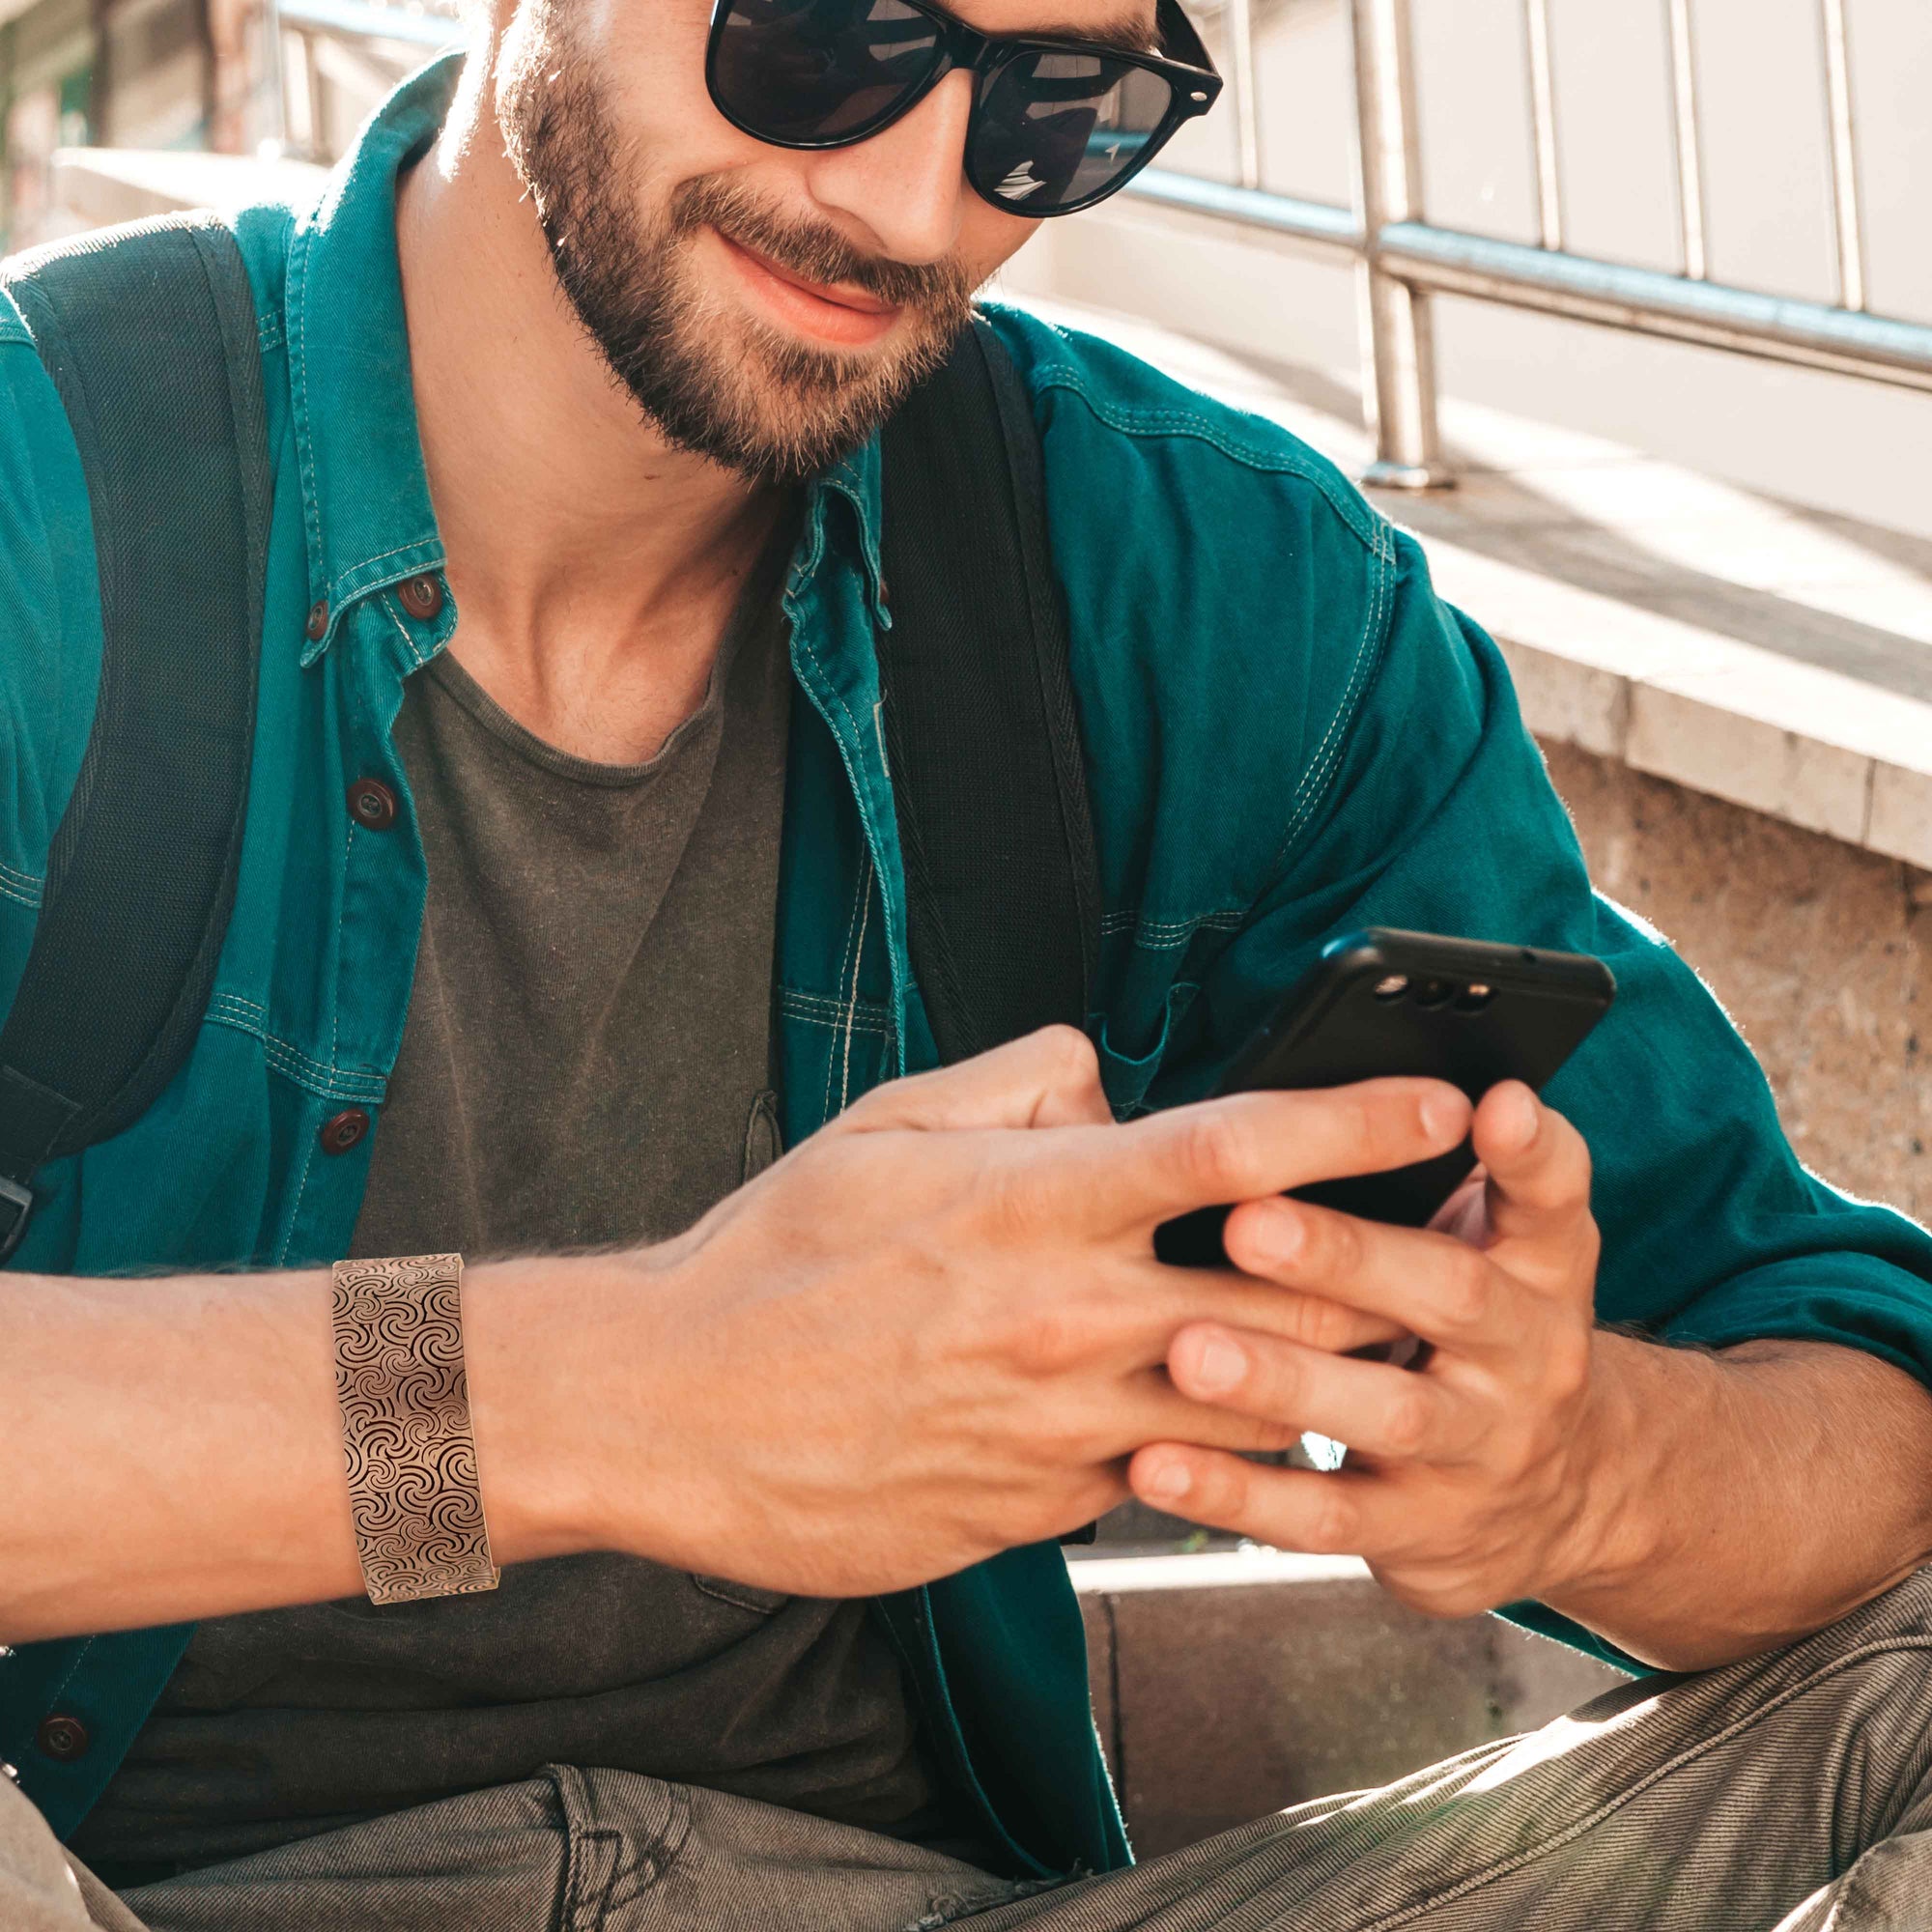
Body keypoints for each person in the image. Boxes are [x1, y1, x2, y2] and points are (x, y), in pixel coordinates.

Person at [4, 0, 1932, 1925]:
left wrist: (1572, 1468)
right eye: (823, 42)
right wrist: (623, 1396)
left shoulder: (1188, 586)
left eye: (1057, 108)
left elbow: (1852, 1405)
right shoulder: (49, 499)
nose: (915, 202)